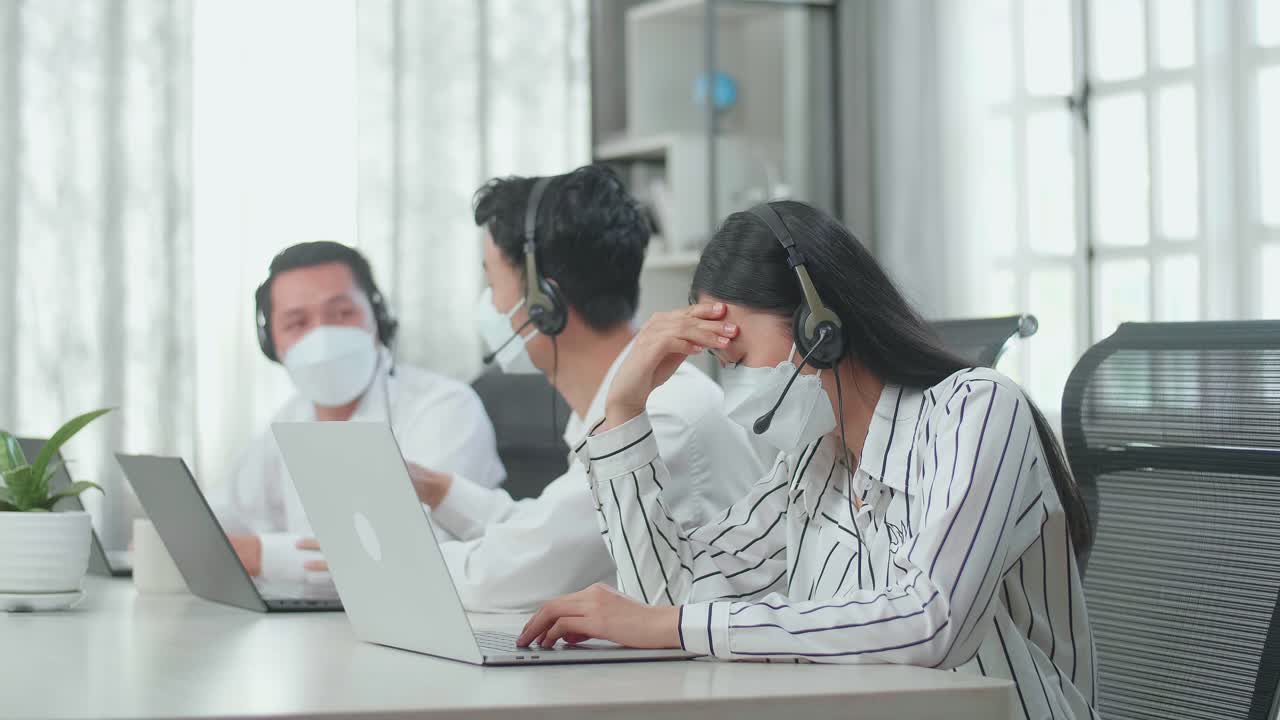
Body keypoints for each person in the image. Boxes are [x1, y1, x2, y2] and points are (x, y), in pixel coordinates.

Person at [519, 201, 1098, 720]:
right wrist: (624, 407)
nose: (737, 383)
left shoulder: (977, 409)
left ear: (818, 326)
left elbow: (930, 621)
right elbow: (670, 600)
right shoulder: (812, 465)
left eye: (737, 354)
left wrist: (673, 625)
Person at [405, 165, 764, 612]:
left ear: (544, 305)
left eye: (493, 285)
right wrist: (439, 488)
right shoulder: (638, 401)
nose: (489, 306)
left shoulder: (663, 414)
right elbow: (542, 532)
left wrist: (383, 562)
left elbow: (501, 577)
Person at [213, 241, 505, 582]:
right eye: (297, 323)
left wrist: (261, 556)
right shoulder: (289, 417)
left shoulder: (446, 408)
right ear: (271, 344)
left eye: (342, 313)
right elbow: (225, 515)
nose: (322, 336)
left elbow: (406, 556)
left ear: (377, 318)